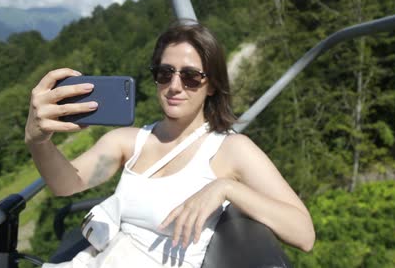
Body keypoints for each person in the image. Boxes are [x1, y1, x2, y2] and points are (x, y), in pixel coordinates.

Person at [25, 21, 315, 267]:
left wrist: (227, 188)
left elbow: (303, 233)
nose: (175, 86)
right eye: (165, 73)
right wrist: (38, 140)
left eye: (190, 76)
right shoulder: (129, 141)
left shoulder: (230, 150)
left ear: (211, 84)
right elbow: (66, 184)